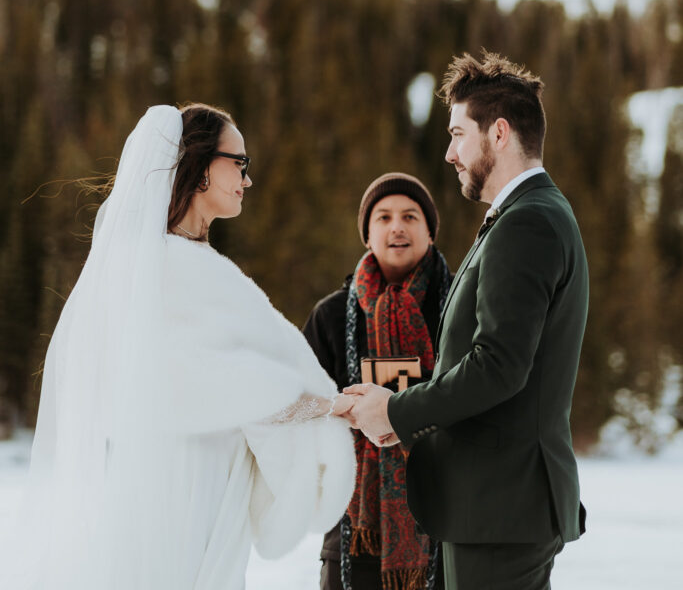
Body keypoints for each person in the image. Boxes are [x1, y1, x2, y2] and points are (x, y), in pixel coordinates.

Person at [1, 103, 355, 590]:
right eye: (240, 163)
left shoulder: (191, 262)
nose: (247, 180)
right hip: (181, 483)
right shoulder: (162, 268)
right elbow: (218, 384)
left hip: (206, 479)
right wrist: (327, 406)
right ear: (201, 165)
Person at [344, 52, 589, 590]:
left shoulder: (528, 223)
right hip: (495, 507)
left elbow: (498, 366)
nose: (450, 152)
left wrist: (398, 410)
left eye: (458, 134)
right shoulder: (529, 215)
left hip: (500, 509)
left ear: (498, 133)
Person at [304, 173, 452, 590]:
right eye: (383, 217)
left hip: (445, 516)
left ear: (430, 231)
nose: (397, 227)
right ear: (368, 234)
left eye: (410, 216)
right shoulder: (331, 316)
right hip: (355, 523)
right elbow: (301, 402)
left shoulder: (460, 305)